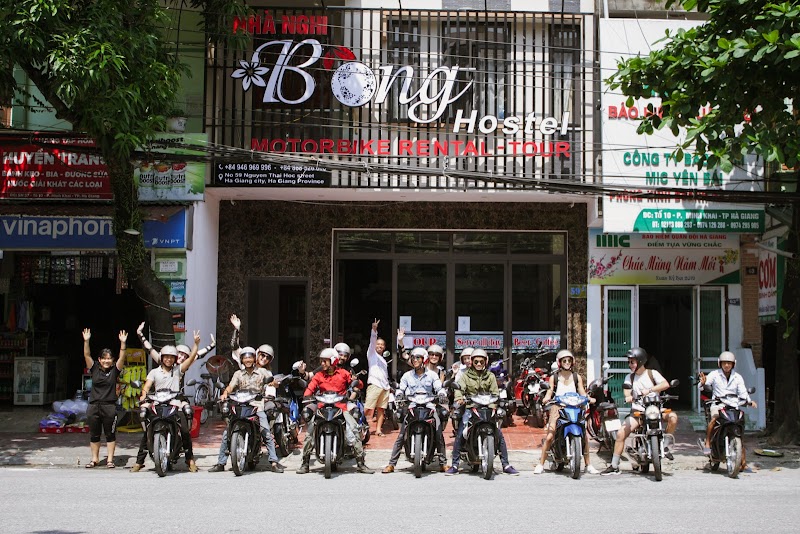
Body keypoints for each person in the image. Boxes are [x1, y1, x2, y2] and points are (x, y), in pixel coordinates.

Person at [131, 331, 202, 473]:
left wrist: (196, 344)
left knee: (184, 430)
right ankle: (139, 462)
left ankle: (190, 460)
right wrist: (143, 396)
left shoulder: (178, 370)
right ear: (162, 358)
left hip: (175, 403)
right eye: (166, 357)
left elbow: (191, 358)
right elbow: (147, 386)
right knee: (148, 430)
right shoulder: (154, 372)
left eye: (171, 357)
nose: (169, 360)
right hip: (158, 403)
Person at [601, 347, 678, 475]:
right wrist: (629, 396)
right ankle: (614, 465)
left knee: (673, 417)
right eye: (629, 362)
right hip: (639, 412)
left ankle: (665, 445)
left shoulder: (652, 374)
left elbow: (665, 384)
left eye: (632, 362)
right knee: (621, 433)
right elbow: (627, 390)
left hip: (655, 409)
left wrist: (650, 390)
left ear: (641, 361)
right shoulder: (629, 377)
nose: (630, 365)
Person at [296, 348, 374, 474]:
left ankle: (360, 463)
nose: (322, 364)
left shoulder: (343, 373)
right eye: (321, 361)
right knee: (310, 431)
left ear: (333, 361)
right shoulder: (319, 375)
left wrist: (356, 381)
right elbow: (310, 387)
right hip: (321, 405)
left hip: (341, 406)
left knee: (353, 429)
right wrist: (307, 395)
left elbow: (359, 385)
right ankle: (305, 463)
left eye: (325, 361)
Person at [208, 346, 284, 473]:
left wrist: (273, 383)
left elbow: (273, 381)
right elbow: (231, 386)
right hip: (240, 404)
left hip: (256, 405)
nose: (248, 360)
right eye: (245, 357)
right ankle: (221, 463)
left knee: (265, 431)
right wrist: (225, 393)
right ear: (242, 359)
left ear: (254, 358)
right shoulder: (238, 374)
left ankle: (274, 461)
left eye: (250, 357)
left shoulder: (262, 372)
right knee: (227, 432)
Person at [445, 349, 519, 476]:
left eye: (481, 361)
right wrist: (459, 398)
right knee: (462, 432)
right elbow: (459, 388)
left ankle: (506, 464)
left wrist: (495, 403)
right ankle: (455, 465)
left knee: (498, 433)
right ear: (472, 362)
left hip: (487, 408)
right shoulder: (466, 376)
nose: (479, 364)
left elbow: (495, 392)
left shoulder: (490, 376)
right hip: (471, 407)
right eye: (476, 361)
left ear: (486, 362)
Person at [533, 349, 599, 475]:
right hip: (558, 407)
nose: (567, 363)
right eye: (564, 361)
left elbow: (582, 392)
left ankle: (588, 464)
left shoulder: (576, 377)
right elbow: (550, 391)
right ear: (559, 362)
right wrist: (547, 398)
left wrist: (588, 399)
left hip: (574, 407)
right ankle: (541, 464)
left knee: (583, 435)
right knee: (550, 435)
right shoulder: (554, 377)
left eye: (569, 360)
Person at [382, 347, 448, 473]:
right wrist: (399, 394)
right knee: (402, 434)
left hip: (429, 405)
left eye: (418, 357)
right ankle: (391, 464)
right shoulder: (407, 375)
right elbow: (401, 388)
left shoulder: (432, 375)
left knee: (439, 432)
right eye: (413, 358)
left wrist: (441, 394)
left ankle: (443, 463)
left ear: (424, 360)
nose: (415, 360)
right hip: (412, 405)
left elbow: (439, 387)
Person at [699, 351, 756, 466]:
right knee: (714, 419)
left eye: (729, 363)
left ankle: (740, 454)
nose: (727, 365)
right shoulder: (714, 374)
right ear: (720, 364)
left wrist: (749, 401)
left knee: (739, 424)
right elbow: (704, 385)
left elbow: (743, 392)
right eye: (724, 363)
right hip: (718, 404)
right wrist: (703, 383)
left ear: (733, 364)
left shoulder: (737, 377)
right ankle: (708, 443)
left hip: (733, 405)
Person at [82, 328, 128, 468]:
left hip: (109, 406)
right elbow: (86, 354)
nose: (107, 361)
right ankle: (94, 459)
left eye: (109, 358)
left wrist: (123, 344)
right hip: (94, 406)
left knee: (110, 434)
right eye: (104, 358)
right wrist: (86, 340)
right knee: (94, 435)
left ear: (112, 360)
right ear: (100, 360)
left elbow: (122, 357)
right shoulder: (94, 368)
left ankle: (110, 460)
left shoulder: (115, 370)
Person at [364, 319, 391, 436]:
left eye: (382, 345)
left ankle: (378, 430)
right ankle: (358, 426)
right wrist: (374, 330)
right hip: (374, 385)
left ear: (384, 347)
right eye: (378, 344)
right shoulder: (371, 354)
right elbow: (372, 340)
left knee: (381, 409)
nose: (379, 346)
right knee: (368, 409)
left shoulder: (384, 360)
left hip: (385, 387)